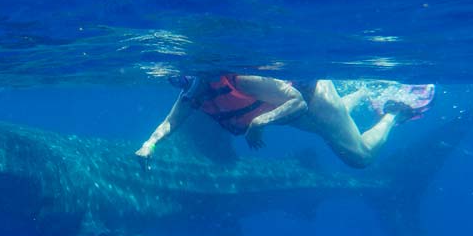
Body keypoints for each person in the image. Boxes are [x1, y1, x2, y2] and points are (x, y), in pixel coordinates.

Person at [135, 74, 434, 169]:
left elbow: (299, 102)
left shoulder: (242, 79)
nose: (182, 86)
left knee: (359, 157)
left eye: (184, 80)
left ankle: (394, 111)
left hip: (311, 100)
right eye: (178, 82)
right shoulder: (195, 89)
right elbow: (172, 120)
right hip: (284, 110)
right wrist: (149, 144)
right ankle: (364, 90)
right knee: (331, 126)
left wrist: (258, 123)